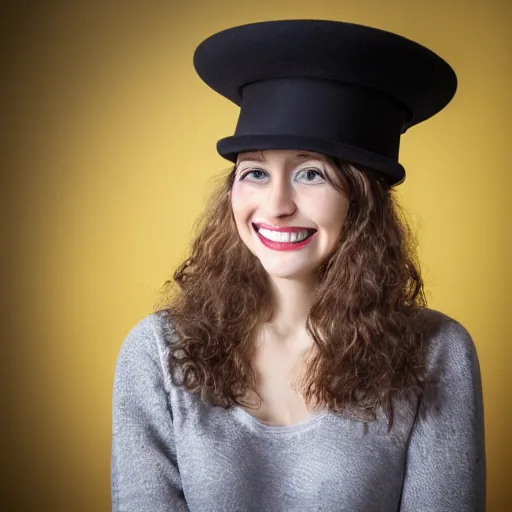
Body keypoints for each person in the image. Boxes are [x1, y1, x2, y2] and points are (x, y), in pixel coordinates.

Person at [111, 20, 486, 512]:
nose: (276, 204)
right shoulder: (158, 353)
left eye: (311, 173)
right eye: (256, 172)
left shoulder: (436, 354)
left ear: (363, 200)